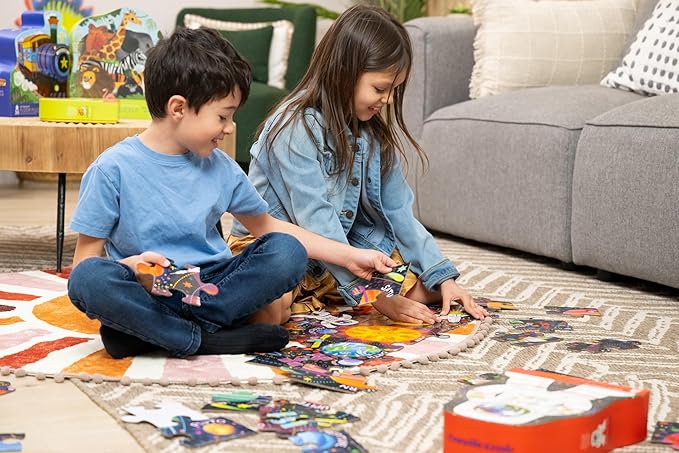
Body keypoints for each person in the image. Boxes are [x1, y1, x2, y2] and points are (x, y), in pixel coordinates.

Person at [67, 27, 396, 359]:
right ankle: (203, 339)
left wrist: (350, 256)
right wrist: (132, 268)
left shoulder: (221, 167)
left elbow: (267, 227)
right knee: (88, 279)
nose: (229, 128)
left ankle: (155, 333)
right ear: (178, 108)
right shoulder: (111, 169)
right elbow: (84, 262)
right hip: (151, 286)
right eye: (223, 116)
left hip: (214, 287)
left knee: (287, 251)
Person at [229, 5, 488, 324]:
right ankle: (326, 293)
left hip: (337, 256)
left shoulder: (373, 133)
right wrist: (377, 297)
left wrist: (444, 278)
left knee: (427, 287)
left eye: (394, 90)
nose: (388, 100)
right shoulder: (296, 126)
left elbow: (399, 212)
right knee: (272, 310)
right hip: (273, 249)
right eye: (380, 89)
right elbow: (316, 219)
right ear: (344, 72)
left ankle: (332, 292)